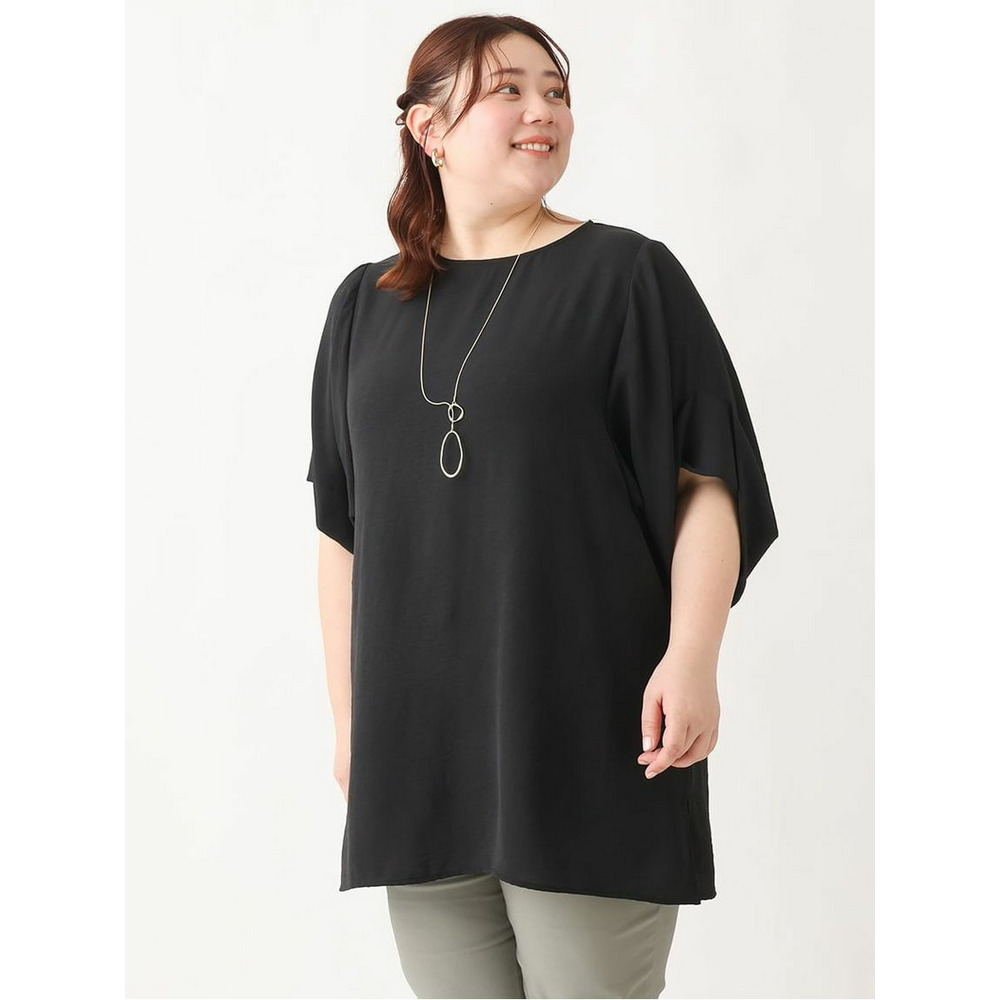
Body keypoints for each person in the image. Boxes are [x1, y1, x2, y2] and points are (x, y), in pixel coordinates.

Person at [306, 14, 779, 999]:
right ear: (428, 129)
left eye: (556, 93)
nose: (543, 112)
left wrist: (692, 659)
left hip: (591, 733)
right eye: (509, 90)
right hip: (419, 760)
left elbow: (707, 484)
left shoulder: (628, 278)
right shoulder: (362, 308)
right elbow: (343, 535)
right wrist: (353, 729)